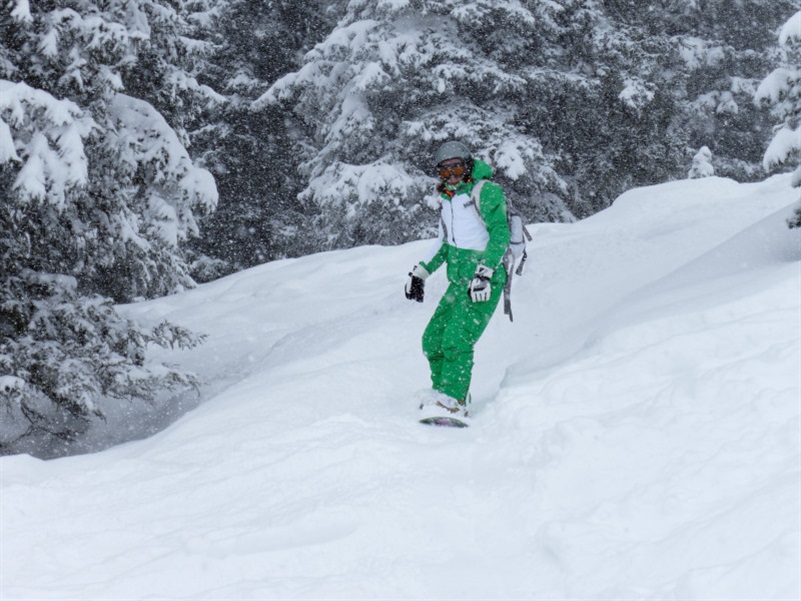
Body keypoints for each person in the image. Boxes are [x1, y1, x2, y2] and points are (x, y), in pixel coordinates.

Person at [405, 141, 510, 421]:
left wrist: (485, 272)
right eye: (444, 171)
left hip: (484, 280)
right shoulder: (448, 199)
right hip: (460, 280)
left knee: (456, 339)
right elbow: (445, 243)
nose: (451, 175)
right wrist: (421, 273)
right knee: (433, 339)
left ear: (468, 166)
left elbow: (500, 233)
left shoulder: (485, 191)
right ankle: (441, 392)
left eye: (457, 168)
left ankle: (454, 400)